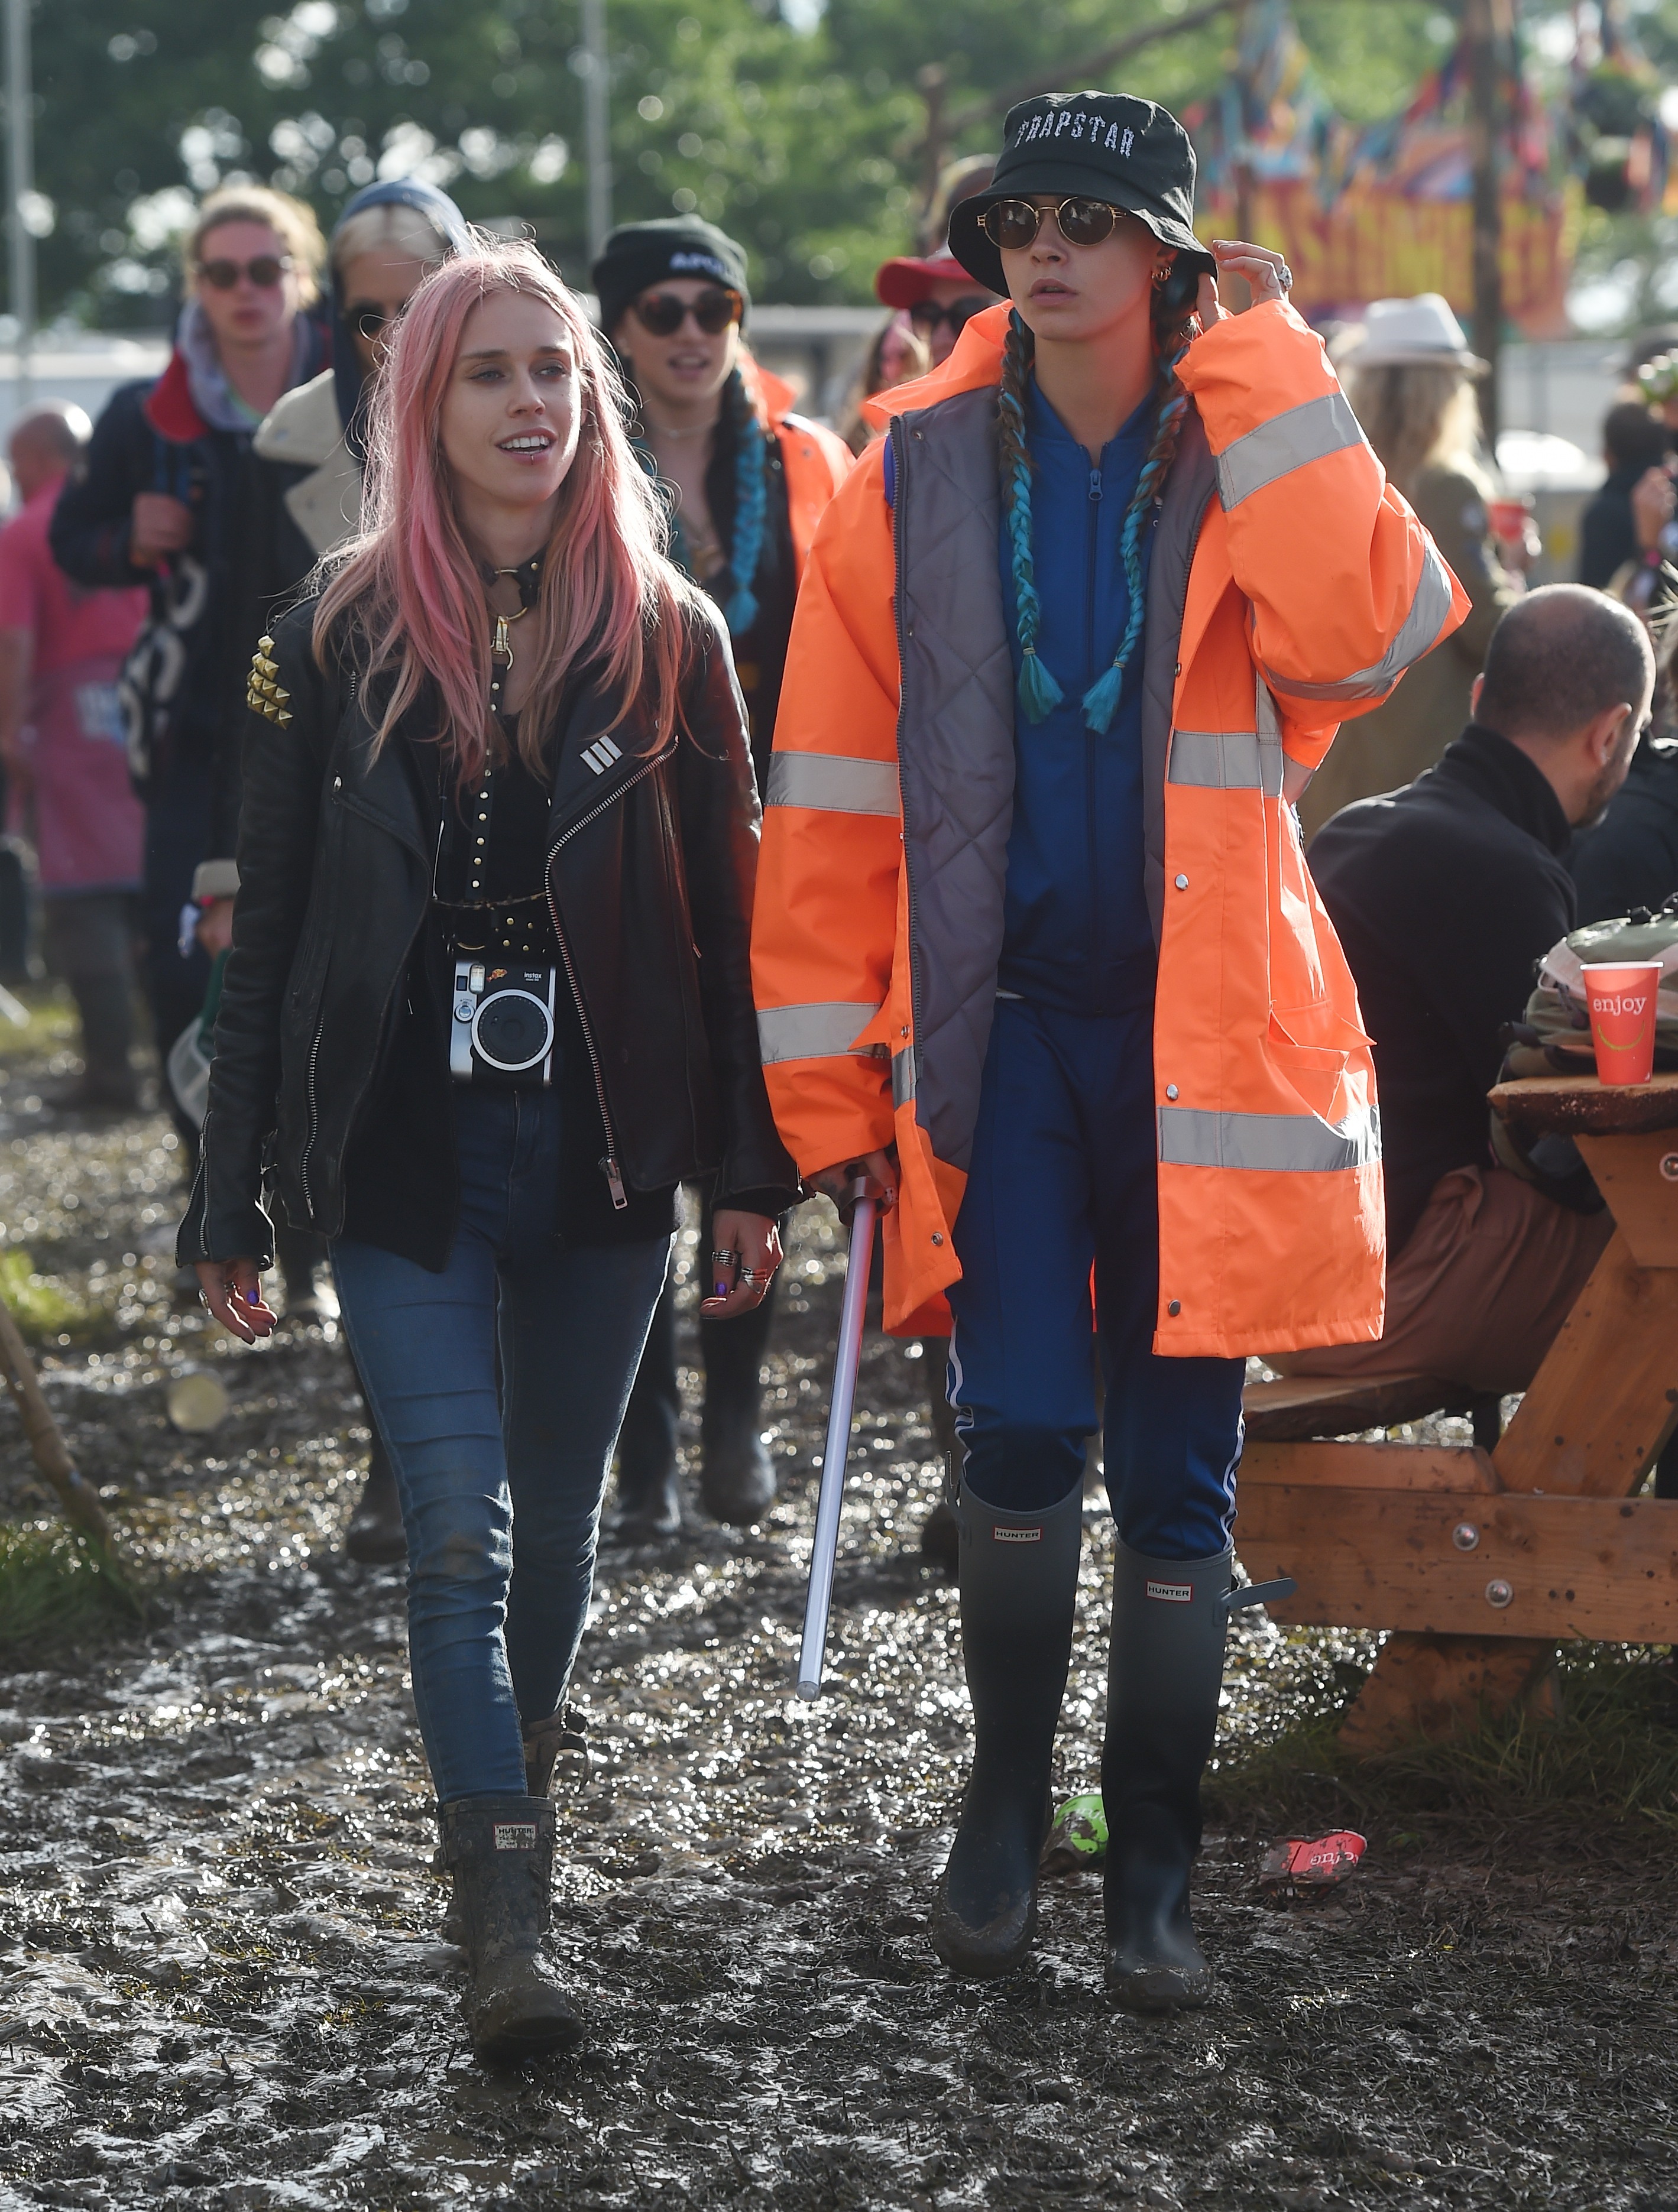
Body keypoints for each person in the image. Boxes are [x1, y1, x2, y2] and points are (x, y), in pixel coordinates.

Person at [751, 90, 1466, 2008]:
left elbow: (1370, 628)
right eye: (1016, 221)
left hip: (1201, 1051)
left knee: (1173, 1481)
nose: (1042, 250)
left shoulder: (1240, 438)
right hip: (1001, 1047)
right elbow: (822, 801)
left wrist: (1264, 355)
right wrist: (822, 1089)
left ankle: (1148, 1873)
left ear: (1167, 255)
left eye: (1086, 219)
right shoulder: (901, 470)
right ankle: (1002, 1808)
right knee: (1011, 1433)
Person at [180, 242, 798, 2060]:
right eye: (489, 371)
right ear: (420, 401)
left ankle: (500, 1793)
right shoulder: (327, 634)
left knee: (554, 1534)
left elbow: (732, 930)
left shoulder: (671, 633)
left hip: (602, 1140)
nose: (533, 400)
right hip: (400, 1140)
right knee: (457, 1528)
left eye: (555, 371)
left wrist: (748, 1169)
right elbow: (269, 930)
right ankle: (505, 1920)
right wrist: (229, 1189)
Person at [209, 177, 471, 1566]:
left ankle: (637, 1445)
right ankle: (397, 1453)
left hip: (504, 862)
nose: (389, 338)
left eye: (414, 306)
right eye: (366, 314)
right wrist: (229, 868)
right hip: (338, 843)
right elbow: (240, 667)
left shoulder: (528, 421)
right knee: (361, 1133)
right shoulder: (289, 448)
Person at [592, 216, 851, 1535]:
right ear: (617, 330)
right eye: (664, 310)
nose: (694, 334)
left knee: (758, 1139)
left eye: (717, 309)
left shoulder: (809, 460)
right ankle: (642, 1444)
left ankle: (736, 1418)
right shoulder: (578, 461)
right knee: (628, 1149)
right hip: (619, 845)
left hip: (779, 848)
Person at [1283, 588, 1653, 1400]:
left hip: (1283, 1272)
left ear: (1480, 697)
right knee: (1657, 1256)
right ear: (1609, 736)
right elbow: (1558, 1136)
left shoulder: (1356, 828)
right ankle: (1581, 1483)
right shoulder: (1507, 873)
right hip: (1390, 1286)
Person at [50, 186, 328, 1107]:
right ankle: (201, 1157)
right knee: (182, 952)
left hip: (338, 710)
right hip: (195, 726)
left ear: (300, 278)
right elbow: (70, 538)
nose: (245, 290)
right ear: (196, 286)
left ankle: (311, 1161)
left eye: (265, 270)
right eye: (222, 273)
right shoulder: (145, 414)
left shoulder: (355, 393)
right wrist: (128, 538)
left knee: (330, 941)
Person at [1298, 294, 1522, 842]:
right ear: (1441, 392)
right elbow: (1487, 628)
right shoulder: (1446, 486)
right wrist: (1514, 576)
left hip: (1334, 762)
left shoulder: (1329, 477)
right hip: (1421, 768)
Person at [0, 404, 147, 1105]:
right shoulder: (124, 522)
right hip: (142, 705)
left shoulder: (27, 531)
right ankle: (174, 1056)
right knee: (149, 880)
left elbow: (13, 640)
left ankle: (112, 1071)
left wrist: (7, 731)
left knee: (81, 889)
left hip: (66, 716)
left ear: (35, 458)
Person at [1577, 398, 1670, 593]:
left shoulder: (1603, 515)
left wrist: (1650, 552)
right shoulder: (1669, 496)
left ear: (1607, 455)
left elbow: (1593, 596)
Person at [841, 313, 931, 452]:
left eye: (903, 356)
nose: (892, 371)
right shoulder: (859, 430)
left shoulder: (940, 424)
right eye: (885, 359)